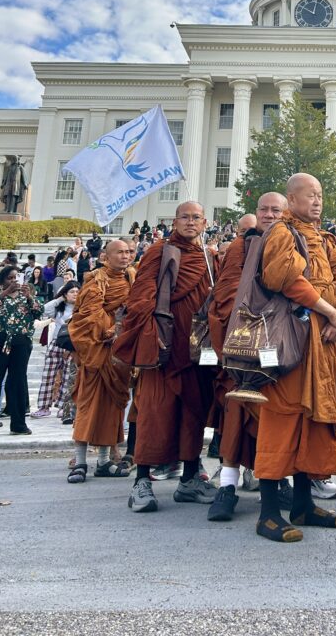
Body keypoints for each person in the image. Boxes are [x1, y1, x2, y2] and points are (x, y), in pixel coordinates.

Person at [252, 173, 336, 543]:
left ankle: (302, 504)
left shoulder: (328, 240)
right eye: (309, 195)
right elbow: (286, 279)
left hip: (324, 342)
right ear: (291, 200)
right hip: (292, 342)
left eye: (320, 195)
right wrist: (328, 311)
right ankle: (267, 513)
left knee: (313, 421)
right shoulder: (281, 233)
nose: (317, 201)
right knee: (283, 418)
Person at [114, 202, 215, 513]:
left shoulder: (209, 259)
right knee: (154, 414)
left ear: (204, 222)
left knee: (192, 415)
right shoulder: (162, 251)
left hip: (195, 351)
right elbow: (141, 296)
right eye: (184, 217)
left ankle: (188, 480)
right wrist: (149, 335)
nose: (189, 222)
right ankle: (142, 481)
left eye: (195, 217)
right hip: (165, 347)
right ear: (175, 221)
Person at [207, 196, 287, 523]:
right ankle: (227, 486)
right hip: (242, 345)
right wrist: (251, 323)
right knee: (236, 417)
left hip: (279, 348)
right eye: (264, 210)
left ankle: (276, 480)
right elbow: (224, 296)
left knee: (276, 417)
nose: (268, 215)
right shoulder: (243, 246)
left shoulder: (290, 243)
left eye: (276, 210)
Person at [67, 240, 135, 482]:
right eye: (120, 252)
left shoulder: (132, 277)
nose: (125, 256)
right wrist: (110, 329)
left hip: (119, 354)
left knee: (112, 407)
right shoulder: (97, 280)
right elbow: (85, 316)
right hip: (97, 352)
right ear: (106, 256)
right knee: (88, 405)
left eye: (129, 252)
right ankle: (81, 461)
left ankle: (104, 461)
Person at [0, 265, 41, 438]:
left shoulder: (25, 296)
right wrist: (5, 293)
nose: (13, 281)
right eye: (9, 278)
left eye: (16, 278)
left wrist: (29, 297)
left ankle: (19, 424)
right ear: (2, 280)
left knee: (18, 381)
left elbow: (38, 311)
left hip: (20, 342)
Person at [31, 281, 78, 419]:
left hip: (72, 346)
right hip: (56, 343)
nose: (75, 294)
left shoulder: (82, 308)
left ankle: (63, 406)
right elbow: (44, 310)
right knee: (48, 376)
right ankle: (44, 407)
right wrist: (60, 299)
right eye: (72, 291)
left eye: (77, 291)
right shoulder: (59, 308)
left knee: (68, 377)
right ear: (65, 294)